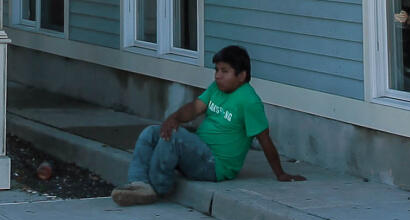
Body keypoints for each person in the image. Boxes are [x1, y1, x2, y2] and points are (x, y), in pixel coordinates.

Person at [111, 45, 298, 206]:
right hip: (199, 153)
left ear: (241, 76)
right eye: (216, 70)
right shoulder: (216, 88)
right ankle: (139, 184)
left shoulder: (249, 101)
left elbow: (264, 138)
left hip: (215, 165)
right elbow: (194, 108)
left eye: (224, 71)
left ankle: (157, 187)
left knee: (174, 137)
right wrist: (173, 118)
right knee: (152, 132)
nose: (218, 76)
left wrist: (280, 173)